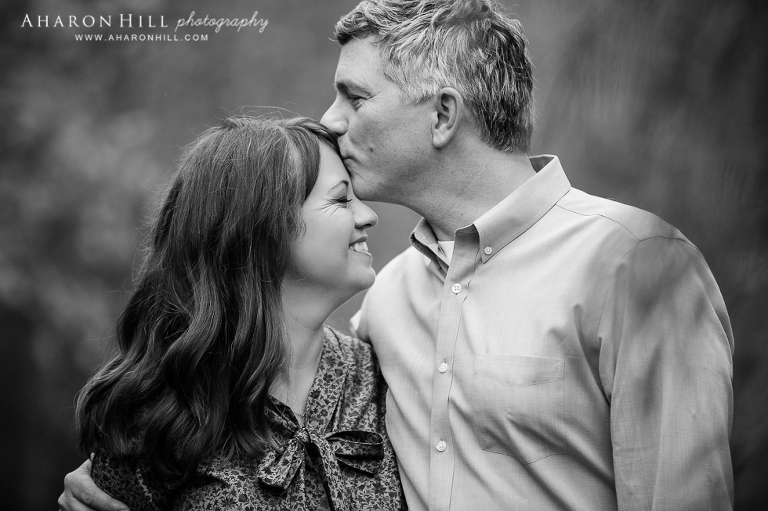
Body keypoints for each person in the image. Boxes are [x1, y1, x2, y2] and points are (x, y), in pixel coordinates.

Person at [61, 0, 735, 510]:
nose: (330, 120)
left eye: (355, 97)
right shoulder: (388, 298)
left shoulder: (637, 265)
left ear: (442, 115)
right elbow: (258, 367)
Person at [59, 115, 405, 511]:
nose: (368, 215)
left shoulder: (385, 383)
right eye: (341, 200)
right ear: (263, 225)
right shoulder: (162, 405)